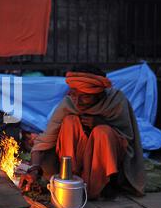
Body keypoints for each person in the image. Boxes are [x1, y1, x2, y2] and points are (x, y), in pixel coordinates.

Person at [19, 64, 146, 199]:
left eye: (85, 96)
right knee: (70, 122)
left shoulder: (116, 101)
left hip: (108, 163)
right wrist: (34, 169)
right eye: (74, 94)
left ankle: (104, 185)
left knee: (102, 132)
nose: (78, 102)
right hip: (76, 163)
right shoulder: (69, 104)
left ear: (99, 94)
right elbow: (44, 140)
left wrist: (102, 123)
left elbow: (128, 140)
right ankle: (70, 180)